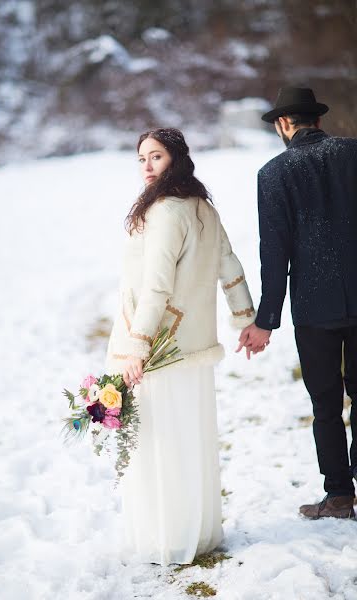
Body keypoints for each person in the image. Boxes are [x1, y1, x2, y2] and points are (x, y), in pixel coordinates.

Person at [105, 127, 256, 565]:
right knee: (189, 438)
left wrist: (137, 347)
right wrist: (244, 318)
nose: (147, 166)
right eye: (141, 159)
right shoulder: (203, 207)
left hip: (160, 350)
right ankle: (198, 530)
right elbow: (230, 264)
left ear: (176, 158)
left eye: (156, 157)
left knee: (164, 442)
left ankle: (169, 537)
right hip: (193, 346)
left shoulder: (167, 212)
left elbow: (155, 287)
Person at [238, 86, 357, 519]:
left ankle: (340, 496)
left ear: (284, 125)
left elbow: (275, 251)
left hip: (314, 308)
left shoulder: (273, 174)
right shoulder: (353, 153)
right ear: (318, 121)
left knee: (325, 404)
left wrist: (266, 319)